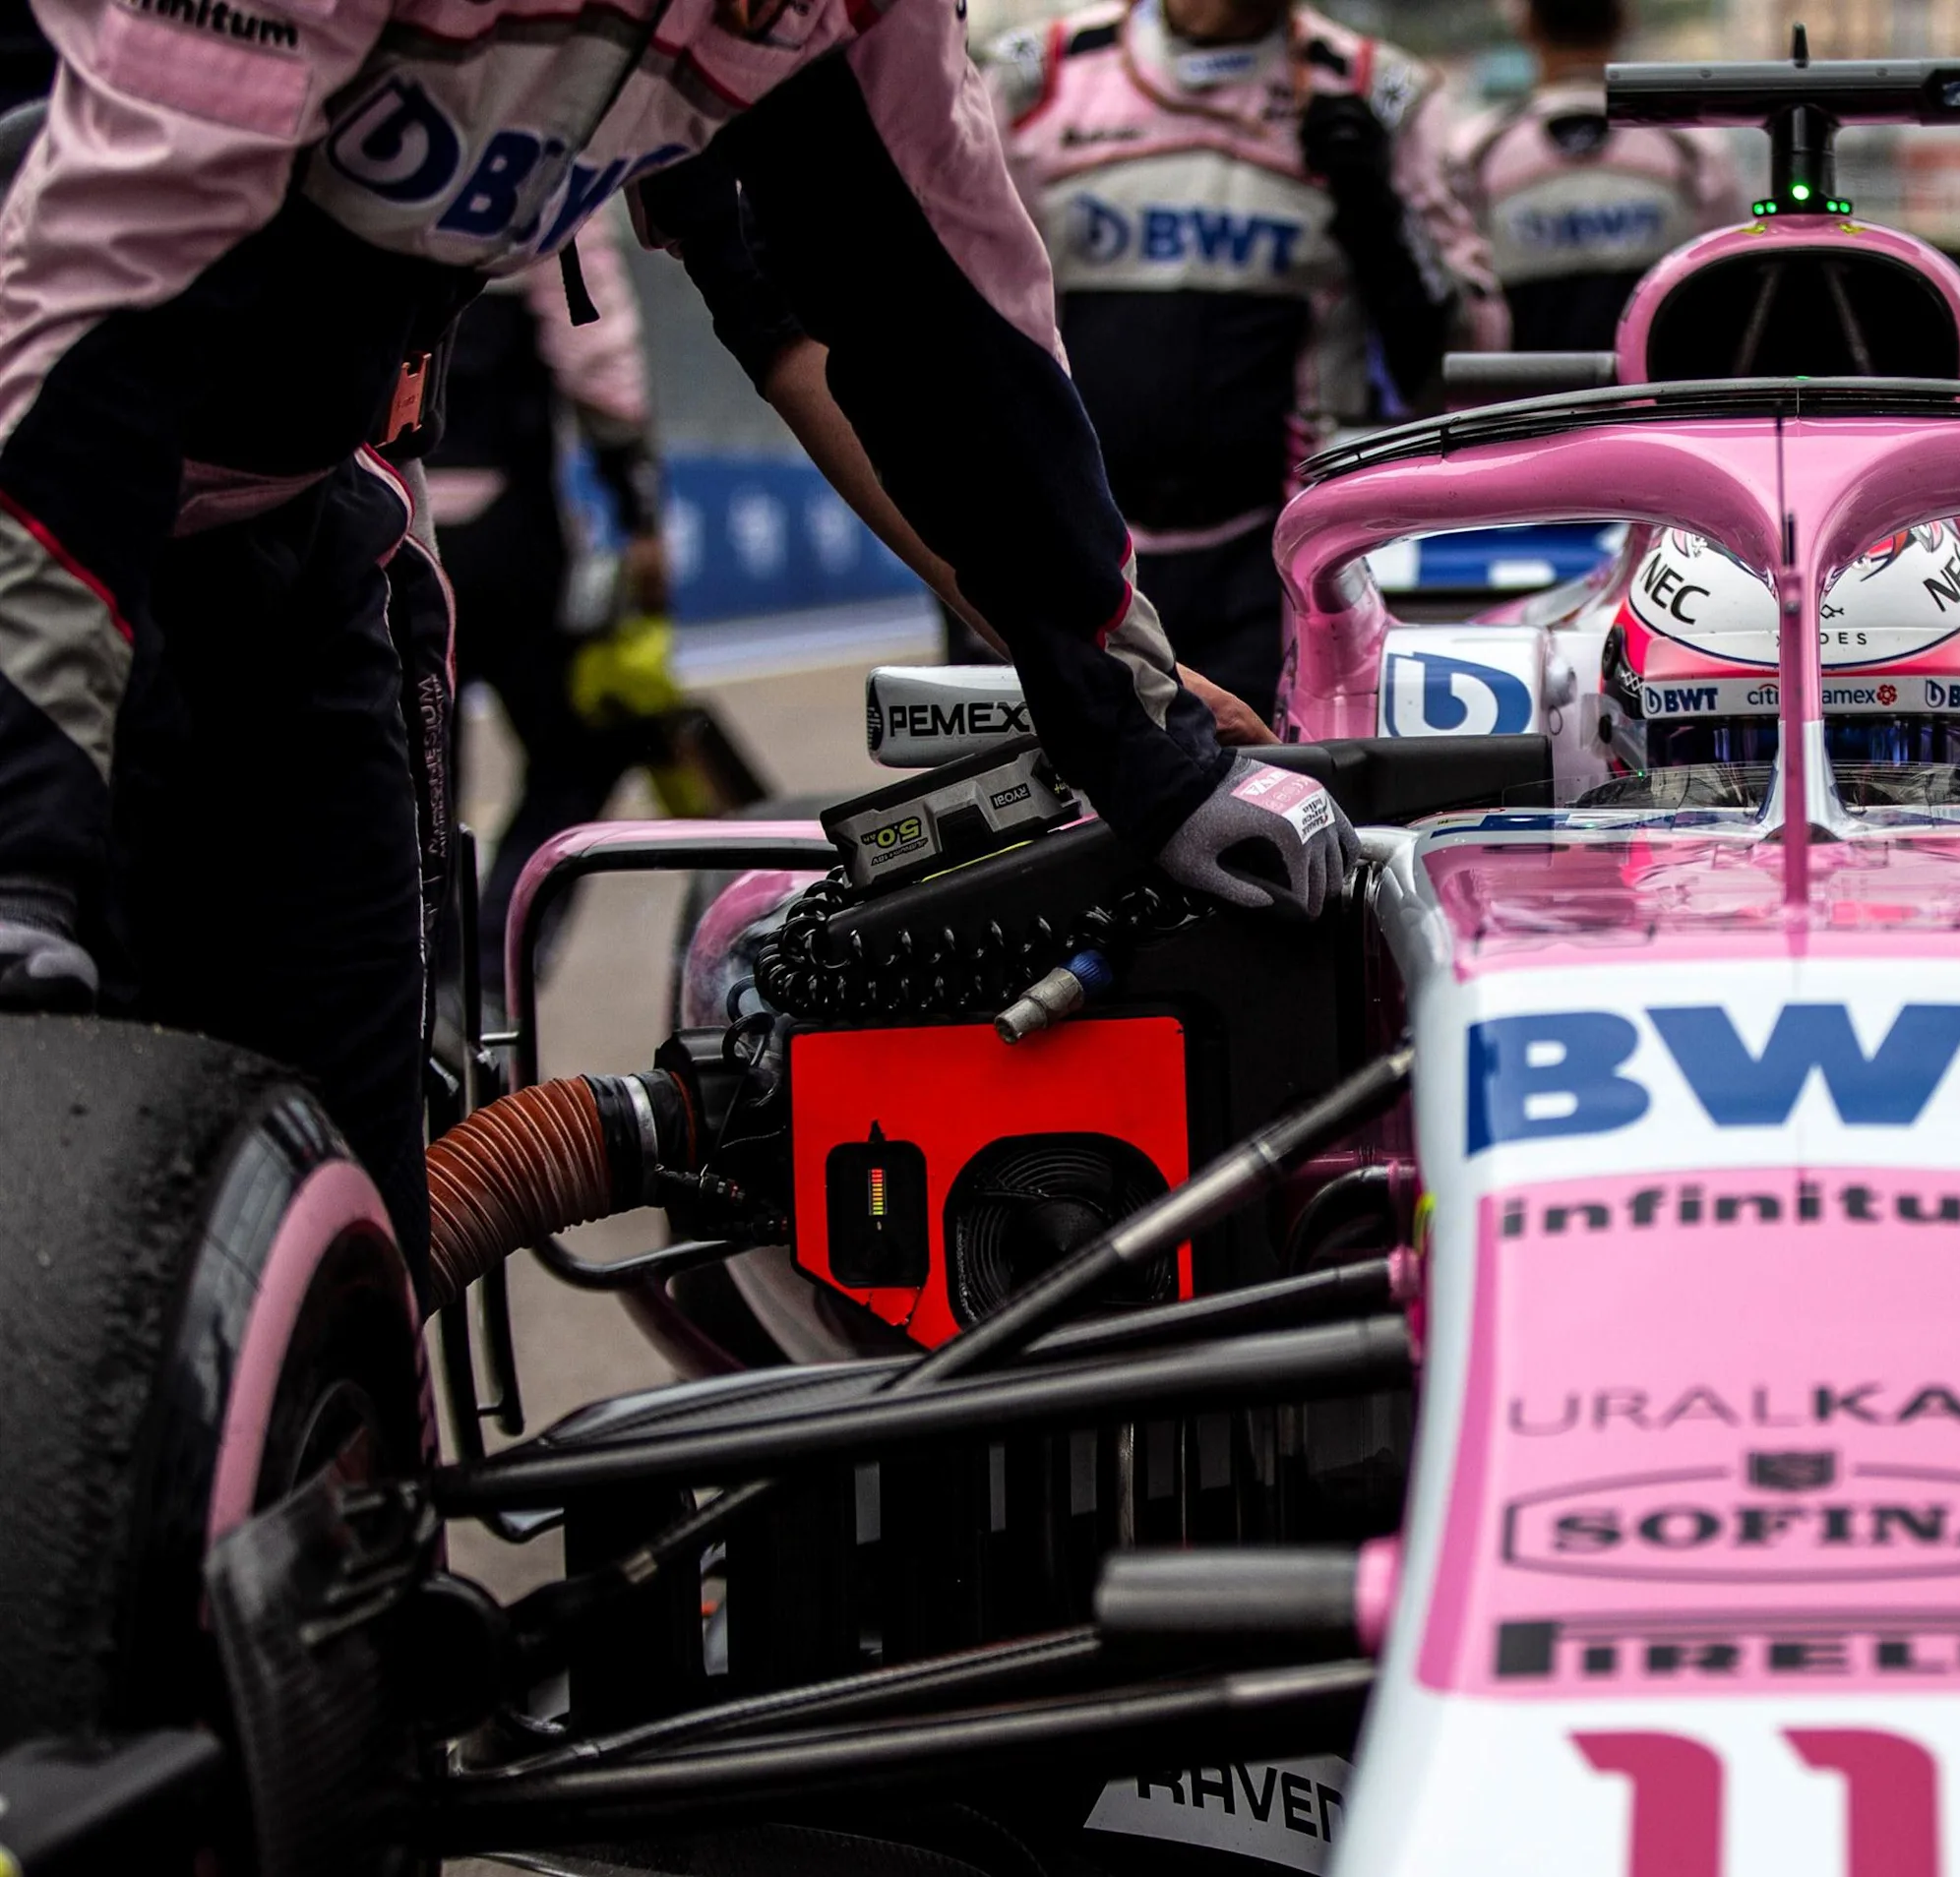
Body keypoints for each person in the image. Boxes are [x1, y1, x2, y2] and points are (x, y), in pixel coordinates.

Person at [0, 10, 1354, 1259]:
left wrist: (1135, 726)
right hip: (41, 455)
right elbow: (91, 302)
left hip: (300, 519)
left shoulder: (836, 18)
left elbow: (931, 315)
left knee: (348, 1201)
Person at [992, 0, 1504, 715]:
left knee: (1274, 811)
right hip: (1058, 554)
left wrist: (1380, 215)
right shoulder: (1030, 78)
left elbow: (1472, 354)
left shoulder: (1377, 91)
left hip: (1280, 569)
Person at [424, 241, 674, 989]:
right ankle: (490, 971)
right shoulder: (546, 153)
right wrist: (638, 508)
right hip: (507, 537)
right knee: (584, 748)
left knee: (421, 790)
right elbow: (595, 352)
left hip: (376, 535)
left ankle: (430, 997)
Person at [1449, 0, 1744, 352]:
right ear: (1626, 21)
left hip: (1521, 403)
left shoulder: (1475, 152)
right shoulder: (1692, 150)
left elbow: (1461, 310)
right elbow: (1729, 293)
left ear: (1526, 25)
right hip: (1660, 403)